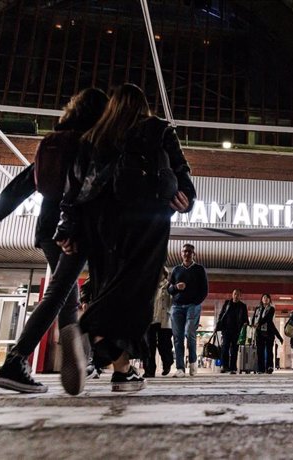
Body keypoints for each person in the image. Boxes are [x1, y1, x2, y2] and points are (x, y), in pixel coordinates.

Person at [54, 83, 196, 392]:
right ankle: (85, 329)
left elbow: (73, 185)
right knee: (136, 294)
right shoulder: (157, 129)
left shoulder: (94, 135)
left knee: (110, 285)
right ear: (143, 106)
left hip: (99, 220)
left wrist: (67, 227)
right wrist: (187, 195)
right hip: (147, 216)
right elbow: (180, 168)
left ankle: (123, 372)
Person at [0, 88, 108, 395]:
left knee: (67, 294)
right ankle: (16, 361)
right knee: (60, 292)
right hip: (70, 230)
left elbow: (21, 185)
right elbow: (85, 192)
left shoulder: (55, 143)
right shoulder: (86, 144)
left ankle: (74, 362)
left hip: (47, 230)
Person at [168, 243, 209, 378]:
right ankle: (180, 368)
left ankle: (192, 363)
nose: (186, 254)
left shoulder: (199, 269)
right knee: (178, 337)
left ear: (193, 254)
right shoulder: (176, 270)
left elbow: (204, 290)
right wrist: (176, 287)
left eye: (189, 252)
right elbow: (169, 288)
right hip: (177, 307)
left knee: (189, 333)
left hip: (193, 305)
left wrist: (196, 302)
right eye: (184, 251)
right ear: (181, 253)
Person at [143, 267, 174, 378]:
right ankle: (149, 371)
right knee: (149, 346)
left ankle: (167, 364)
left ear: (164, 274)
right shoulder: (149, 286)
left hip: (164, 320)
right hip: (151, 320)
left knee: (164, 345)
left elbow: (173, 300)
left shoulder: (169, 286)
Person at [216, 289, 249, 374]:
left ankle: (233, 368)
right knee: (225, 348)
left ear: (240, 296)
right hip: (226, 330)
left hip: (237, 331)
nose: (236, 296)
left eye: (238, 294)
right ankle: (225, 366)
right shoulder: (227, 303)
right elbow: (221, 314)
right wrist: (218, 324)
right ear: (232, 295)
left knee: (234, 349)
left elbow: (245, 318)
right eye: (234, 294)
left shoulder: (242, 306)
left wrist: (246, 324)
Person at [252, 294, 283, 374]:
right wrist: (252, 324)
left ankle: (269, 367)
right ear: (261, 299)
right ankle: (261, 369)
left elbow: (268, 318)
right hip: (259, 333)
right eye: (264, 298)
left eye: (267, 298)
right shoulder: (257, 309)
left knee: (269, 351)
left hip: (269, 333)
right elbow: (253, 319)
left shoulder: (271, 309)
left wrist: (259, 323)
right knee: (260, 351)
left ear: (269, 300)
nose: (266, 299)